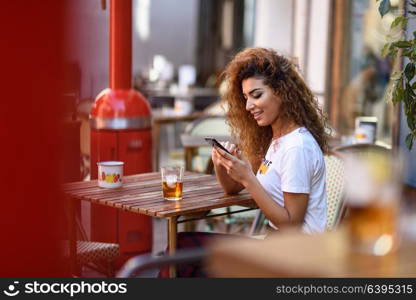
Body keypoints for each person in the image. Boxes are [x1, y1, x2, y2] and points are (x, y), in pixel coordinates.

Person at [212, 47, 329, 234]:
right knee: (185, 244)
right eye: (245, 98)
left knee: (186, 246)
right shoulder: (274, 140)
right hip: (275, 246)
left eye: (256, 95)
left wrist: (248, 178)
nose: (249, 106)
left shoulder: (297, 147)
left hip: (296, 255)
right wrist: (221, 163)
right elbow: (232, 188)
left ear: (281, 92)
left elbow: (291, 225)